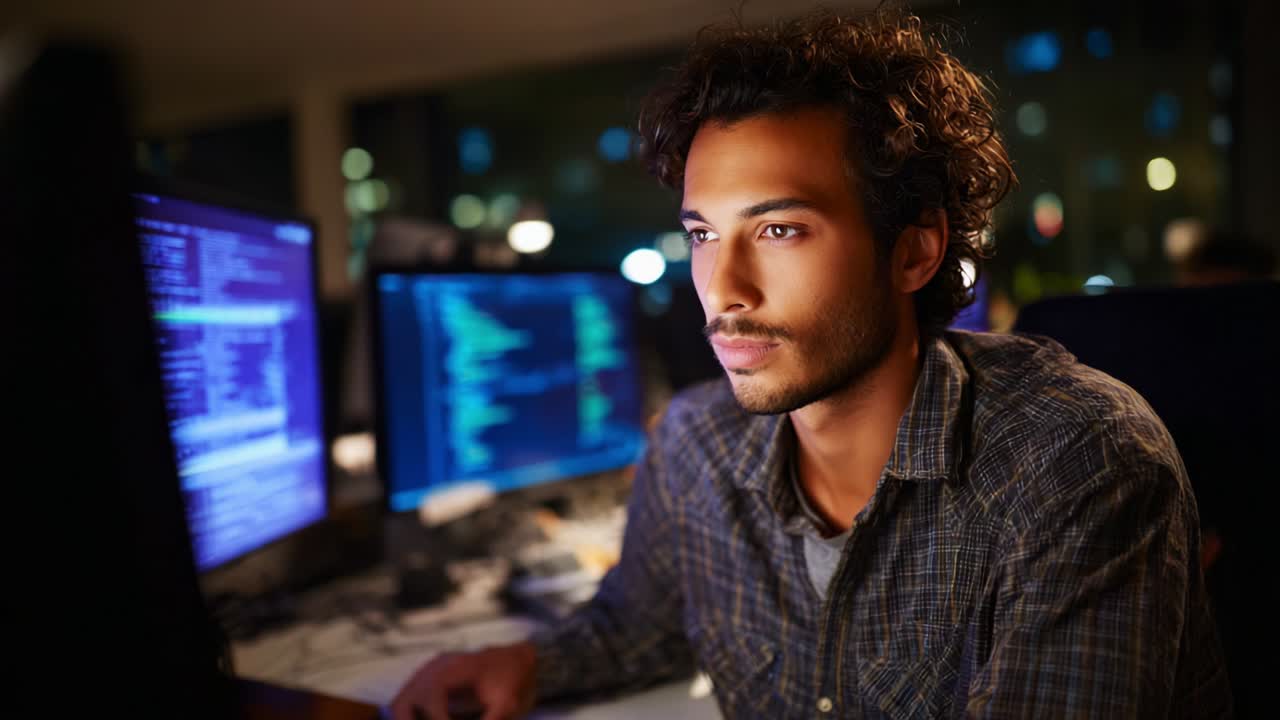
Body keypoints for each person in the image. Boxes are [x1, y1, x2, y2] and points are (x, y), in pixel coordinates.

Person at [392, 7, 1232, 718]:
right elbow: (638, 624)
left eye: (780, 230)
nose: (724, 289)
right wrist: (531, 665)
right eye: (702, 235)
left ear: (914, 252)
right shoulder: (694, 446)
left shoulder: (1074, 462)